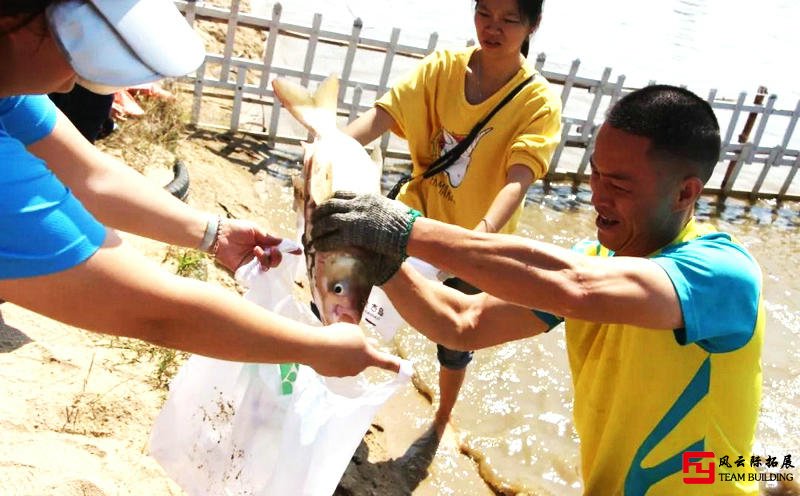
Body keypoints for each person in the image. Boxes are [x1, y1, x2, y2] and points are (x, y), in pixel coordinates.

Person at [312, 85, 765, 494]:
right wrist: (384, 264)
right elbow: (462, 323)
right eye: (596, 174)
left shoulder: (723, 275)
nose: (597, 196)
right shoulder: (597, 261)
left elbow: (575, 286)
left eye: (620, 184)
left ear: (686, 194)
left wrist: (402, 228)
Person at [0, 0, 400, 379]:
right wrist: (315, 348)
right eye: (79, 55)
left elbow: (89, 175)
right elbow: (151, 310)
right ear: (15, 23)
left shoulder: (9, 83)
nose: (75, 82)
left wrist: (214, 233)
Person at [343, 0, 562, 436]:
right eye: (484, 14)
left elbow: (518, 181)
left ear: (533, 24)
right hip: (414, 217)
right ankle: (346, 390)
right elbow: (383, 117)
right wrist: (332, 149)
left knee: (455, 341)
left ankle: (442, 418)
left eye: (509, 20)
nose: (492, 28)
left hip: (477, 242)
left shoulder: (538, 102)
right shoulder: (442, 68)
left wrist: (477, 241)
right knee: (361, 304)